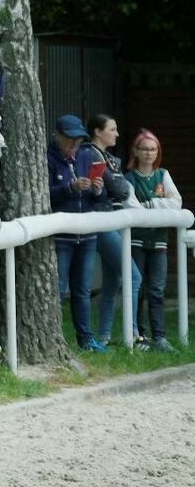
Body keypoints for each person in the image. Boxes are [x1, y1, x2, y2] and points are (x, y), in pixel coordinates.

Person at [48, 114, 107, 351]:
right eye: (70, 140)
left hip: (87, 234)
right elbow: (44, 194)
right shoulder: (47, 159)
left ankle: (86, 339)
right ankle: (55, 338)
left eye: (78, 140)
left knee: (82, 290)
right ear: (58, 136)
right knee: (59, 290)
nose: (74, 145)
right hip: (62, 235)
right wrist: (70, 188)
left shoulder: (86, 156)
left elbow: (100, 198)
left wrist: (97, 190)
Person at [83, 114, 143, 346]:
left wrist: (116, 181)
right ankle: (133, 333)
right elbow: (120, 189)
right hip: (103, 221)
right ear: (98, 132)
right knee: (134, 277)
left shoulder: (109, 157)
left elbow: (119, 187)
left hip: (114, 220)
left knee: (112, 281)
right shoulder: (91, 154)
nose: (117, 134)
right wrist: (116, 180)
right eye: (112, 129)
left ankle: (105, 336)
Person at [125, 129, 182, 351]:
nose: (149, 153)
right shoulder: (129, 178)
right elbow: (133, 207)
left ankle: (160, 337)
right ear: (136, 152)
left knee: (157, 291)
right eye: (144, 149)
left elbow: (176, 202)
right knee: (138, 289)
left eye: (153, 149)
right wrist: (159, 203)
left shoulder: (163, 175)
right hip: (137, 241)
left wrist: (150, 204)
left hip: (159, 242)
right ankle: (140, 336)